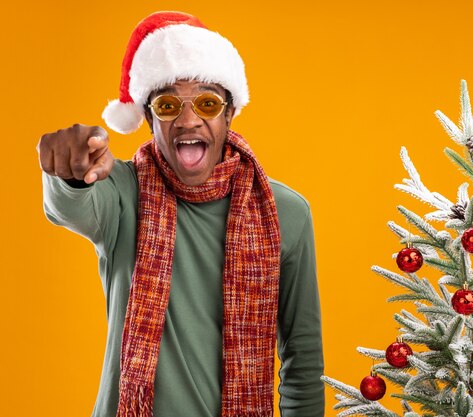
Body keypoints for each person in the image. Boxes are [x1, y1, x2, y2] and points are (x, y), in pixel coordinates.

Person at [37, 11, 324, 417]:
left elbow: (303, 360)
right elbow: (70, 204)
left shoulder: (286, 213)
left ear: (229, 113)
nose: (188, 120)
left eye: (207, 102)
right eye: (169, 104)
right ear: (150, 118)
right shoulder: (122, 191)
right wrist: (70, 170)